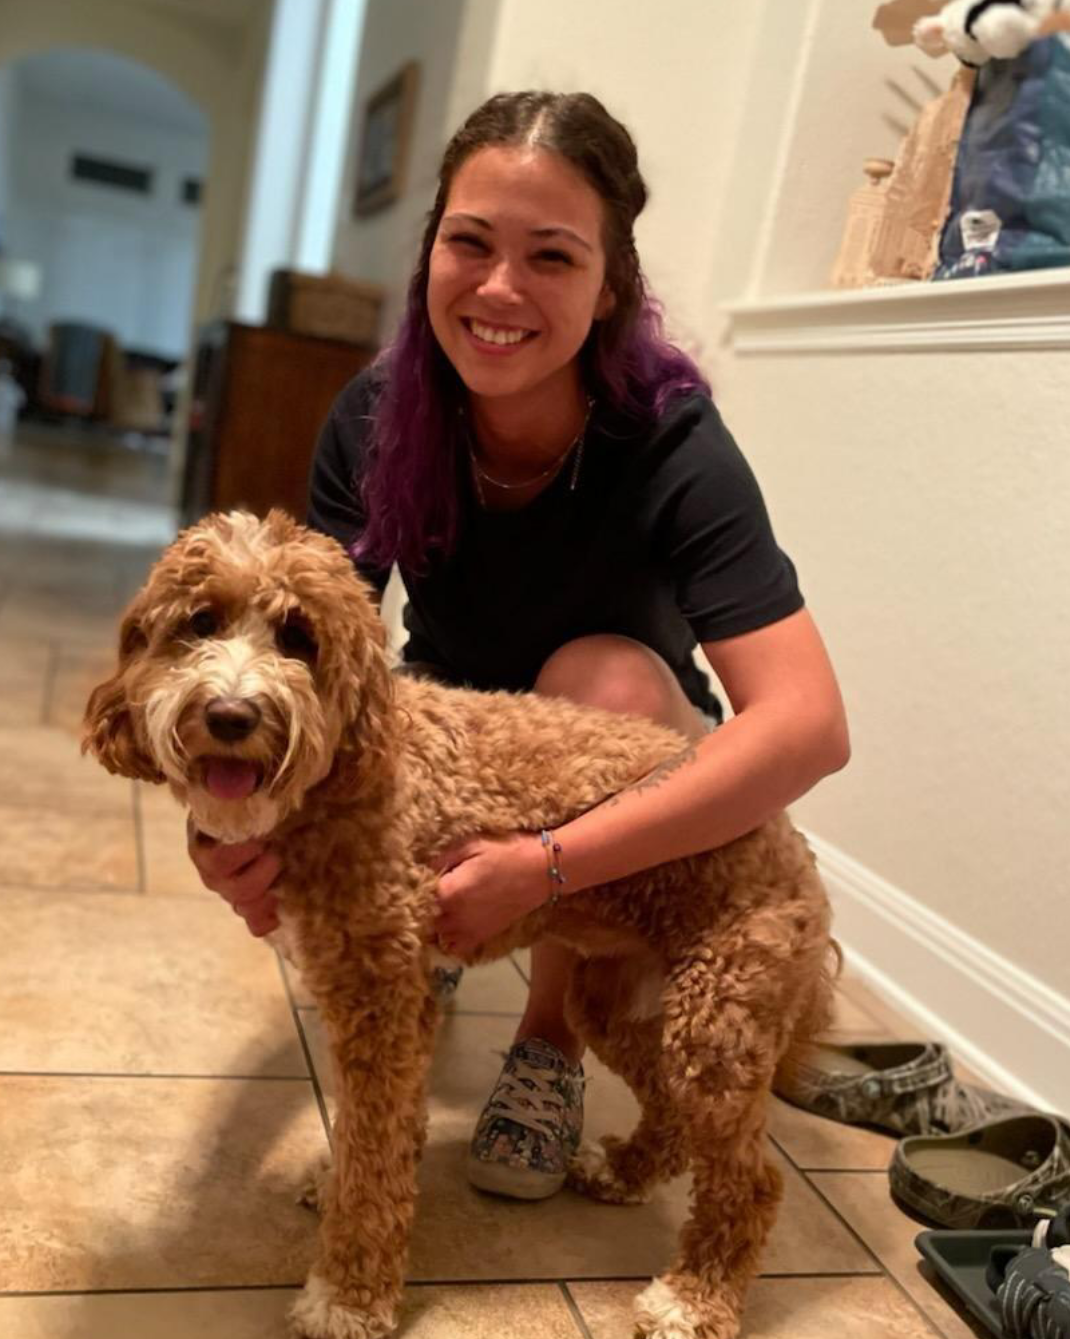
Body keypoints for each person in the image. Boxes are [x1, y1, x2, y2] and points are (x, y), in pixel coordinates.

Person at [189, 90, 850, 1198]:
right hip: (447, 719)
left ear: (609, 289)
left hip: (618, 733)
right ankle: (435, 937)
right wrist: (228, 836)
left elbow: (809, 728)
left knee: (602, 681)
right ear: (431, 254)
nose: (499, 289)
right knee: (366, 759)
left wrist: (542, 870)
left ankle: (549, 1043)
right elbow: (313, 662)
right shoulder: (371, 415)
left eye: (551, 255)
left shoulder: (675, 445)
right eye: (469, 242)